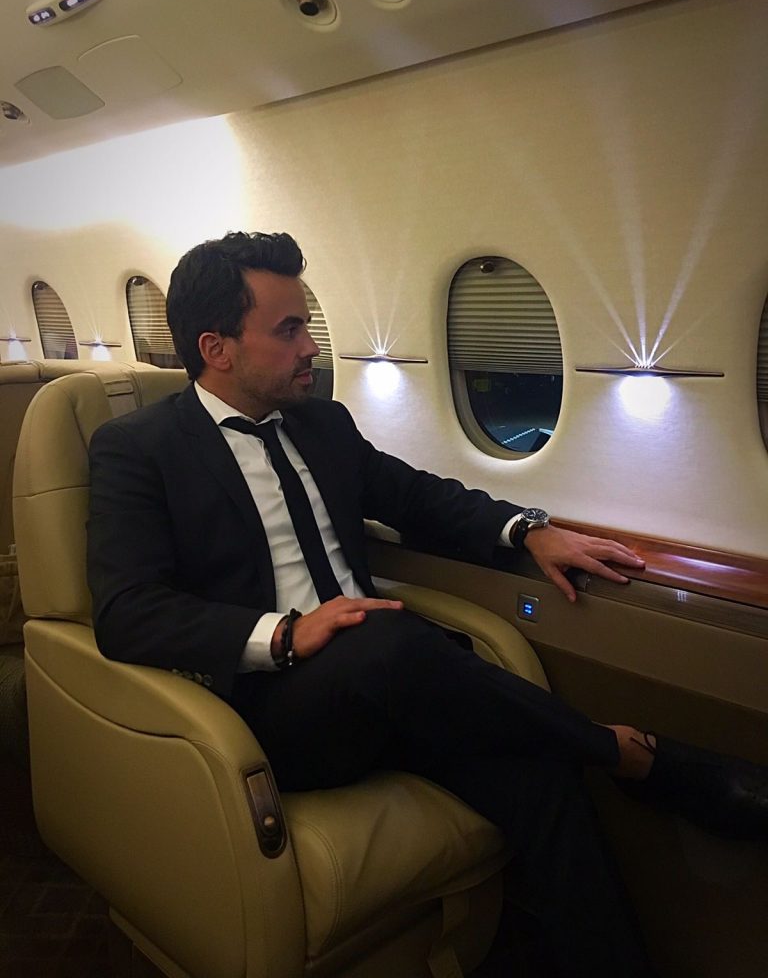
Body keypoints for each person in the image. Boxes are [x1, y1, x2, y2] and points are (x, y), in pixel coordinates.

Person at [87, 231, 767, 978]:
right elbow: (128, 610)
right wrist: (285, 634)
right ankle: (625, 753)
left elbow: (415, 497)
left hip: (397, 684)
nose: (311, 346)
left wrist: (529, 530)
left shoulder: (322, 424)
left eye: (308, 323)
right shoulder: (139, 449)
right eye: (288, 330)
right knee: (390, 636)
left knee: (544, 780)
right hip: (275, 709)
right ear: (215, 348)